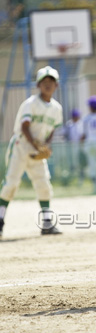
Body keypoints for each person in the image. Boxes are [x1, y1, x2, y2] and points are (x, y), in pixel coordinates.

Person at [0, 66, 63, 237]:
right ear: (38, 85)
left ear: (56, 85)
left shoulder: (56, 108)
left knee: (43, 185)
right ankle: (0, 220)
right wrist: (37, 146)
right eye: (45, 82)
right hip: (21, 146)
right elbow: (24, 126)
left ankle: (47, 223)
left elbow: (51, 131)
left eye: (51, 81)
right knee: (11, 183)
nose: (48, 84)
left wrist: (46, 146)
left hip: (38, 149)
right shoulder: (31, 103)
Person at [64, 108, 86, 183]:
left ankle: (81, 177)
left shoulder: (81, 123)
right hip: (72, 146)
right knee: (72, 162)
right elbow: (65, 134)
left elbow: (84, 134)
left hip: (80, 146)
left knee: (80, 162)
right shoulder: (69, 124)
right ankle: (73, 177)